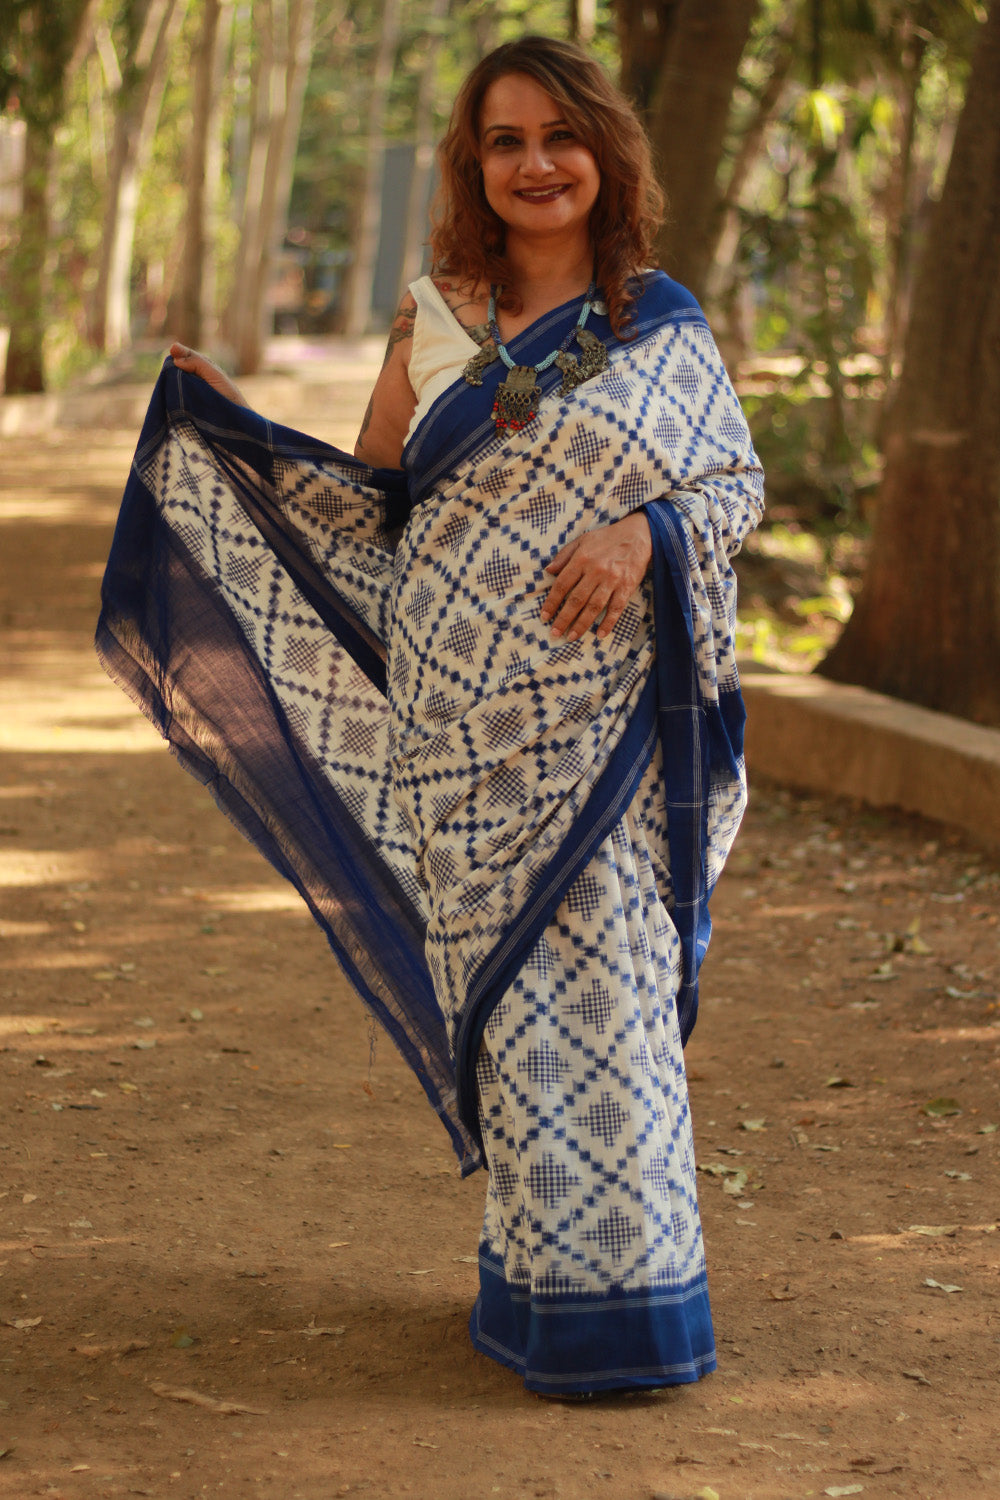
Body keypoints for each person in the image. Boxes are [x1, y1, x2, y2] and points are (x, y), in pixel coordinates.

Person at [98, 34, 763, 1397]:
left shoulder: (658, 318)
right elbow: (380, 499)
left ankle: (635, 1311)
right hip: (457, 726)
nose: (535, 164)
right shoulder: (436, 314)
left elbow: (734, 483)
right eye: (504, 142)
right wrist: (243, 435)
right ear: (473, 163)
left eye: (559, 137)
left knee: (613, 994)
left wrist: (645, 535)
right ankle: (537, 1295)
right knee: (513, 1005)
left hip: (603, 721)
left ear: (603, 153)